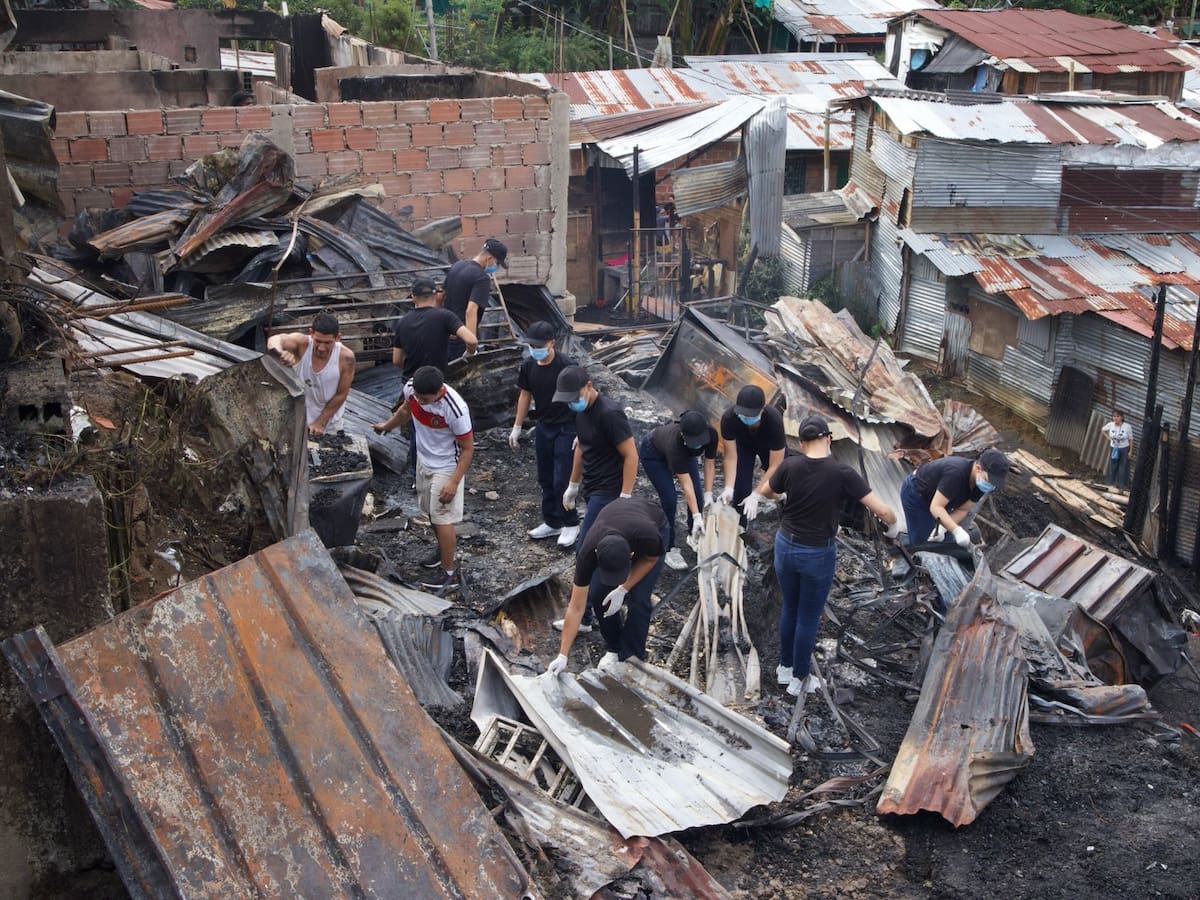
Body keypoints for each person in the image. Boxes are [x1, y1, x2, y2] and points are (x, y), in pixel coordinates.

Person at [742, 415, 898, 696]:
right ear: (828, 439)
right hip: (816, 554)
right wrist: (894, 527)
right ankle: (799, 680)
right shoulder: (843, 473)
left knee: (790, 607)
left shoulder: (790, 465)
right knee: (808, 617)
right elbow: (883, 511)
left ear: (801, 443)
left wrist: (783, 497)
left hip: (785, 547)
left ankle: (784, 669)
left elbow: (766, 492)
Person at [372, 366, 474, 596]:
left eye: (425, 399)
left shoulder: (455, 410)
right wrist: (387, 426)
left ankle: (450, 574)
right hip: (424, 461)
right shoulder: (411, 390)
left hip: (447, 466)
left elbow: (468, 449)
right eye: (417, 396)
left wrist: (453, 482)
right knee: (429, 511)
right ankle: (442, 551)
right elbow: (405, 411)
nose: (420, 401)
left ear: (439, 392)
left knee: (441, 516)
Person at [552, 365, 638, 633]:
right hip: (592, 486)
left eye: (575, 397)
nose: (571, 404)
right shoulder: (581, 412)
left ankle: (585, 616)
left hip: (609, 492)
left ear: (589, 386)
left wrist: (625, 495)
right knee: (595, 550)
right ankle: (596, 607)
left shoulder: (609, 414)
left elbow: (631, 455)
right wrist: (573, 485)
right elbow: (581, 447)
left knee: (586, 551)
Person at [545, 497, 668, 676]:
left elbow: (650, 560)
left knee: (639, 598)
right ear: (597, 554)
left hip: (653, 522)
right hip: (616, 520)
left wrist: (623, 588)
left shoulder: (649, 536)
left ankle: (632, 658)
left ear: (632, 554)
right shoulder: (587, 553)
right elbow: (577, 606)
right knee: (597, 594)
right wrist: (563, 655)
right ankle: (614, 647)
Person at [509, 321, 580, 548]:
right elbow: (524, 395)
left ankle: (571, 522)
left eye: (538, 345)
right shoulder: (529, 366)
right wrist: (517, 427)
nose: (534, 349)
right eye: (531, 345)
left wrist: (582, 430)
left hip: (567, 427)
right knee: (545, 477)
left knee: (562, 479)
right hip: (544, 425)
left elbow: (583, 398)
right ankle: (552, 520)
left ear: (552, 343)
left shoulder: (566, 366)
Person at [639, 411, 717, 571]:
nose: (699, 444)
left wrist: (709, 492)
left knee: (699, 495)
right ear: (683, 435)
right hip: (653, 454)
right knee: (670, 499)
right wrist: (697, 516)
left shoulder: (711, 435)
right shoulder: (674, 444)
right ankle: (668, 547)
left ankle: (693, 535)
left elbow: (709, 463)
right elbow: (685, 484)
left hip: (685, 454)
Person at [267, 312, 355, 437]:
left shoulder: (346, 358)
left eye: (328, 343)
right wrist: (281, 353)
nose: (321, 348)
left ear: (338, 338)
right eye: (318, 341)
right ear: (311, 333)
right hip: (297, 420)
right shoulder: (301, 344)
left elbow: (341, 394)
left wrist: (320, 423)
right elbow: (274, 339)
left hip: (329, 424)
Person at [900, 447, 1010, 548]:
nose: (990, 485)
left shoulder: (980, 484)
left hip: (942, 500)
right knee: (923, 543)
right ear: (978, 468)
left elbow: (963, 509)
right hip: (917, 494)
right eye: (988, 480)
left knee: (946, 542)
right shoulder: (956, 473)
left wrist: (943, 528)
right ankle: (904, 550)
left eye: (993, 483)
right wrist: (956, 530)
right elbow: (936, 507)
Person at [391, 277, 477, 380]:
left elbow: (396, 360)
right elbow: (471, 341)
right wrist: (468, 355)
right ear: (436, 295)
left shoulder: (402, 322)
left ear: (413, 297)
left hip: (411, 383)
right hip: (437, 384)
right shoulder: (445, 316)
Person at [720, 384, 786, 507]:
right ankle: (740, 524)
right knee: (740, 490)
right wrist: (728, 487)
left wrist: (756, 494)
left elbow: (775, 465)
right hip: (744, 446)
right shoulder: (729, 419)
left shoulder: (774, 420)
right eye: (743, 414)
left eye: (750, 415)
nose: (746, 418)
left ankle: (784, 502)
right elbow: (730, 457)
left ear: (762, 410)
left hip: (768, 445)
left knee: (779, 482)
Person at [442, 238, 506, 359]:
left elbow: (440, 296)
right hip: (461, 337)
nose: (496, 267)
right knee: (460, 375)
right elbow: (470, 311)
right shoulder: (481, 278)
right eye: (497, 263)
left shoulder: (457, 265)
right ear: (489, 259)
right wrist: (471, 348)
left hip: (446, 333)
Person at [1102, 410, 1132, 489]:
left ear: (1122, 417)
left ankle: (1121, 485)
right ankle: (1111, 484)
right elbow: (1103, 430)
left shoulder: (1127, 426)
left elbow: (1131, 439)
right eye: (1114, 416)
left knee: (1122, 467)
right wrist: (1108, 437)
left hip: (1124, 449)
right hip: (1114, 448)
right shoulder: (1110, 425)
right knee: (1113, 466)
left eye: (1118, 416)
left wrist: (1130, 451)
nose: (1115, 418)